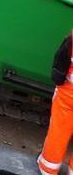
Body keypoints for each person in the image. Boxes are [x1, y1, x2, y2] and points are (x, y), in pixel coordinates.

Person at [39, 30, 73, 174]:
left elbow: (60, 63)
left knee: (58, 132)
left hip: (68, 95)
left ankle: (48, 169)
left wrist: (59, 81)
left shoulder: (71, 40)